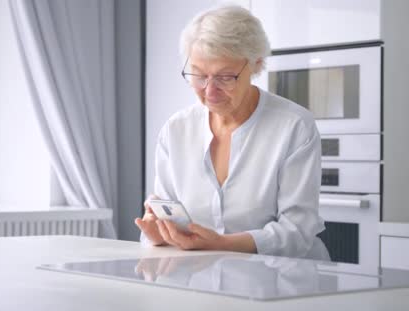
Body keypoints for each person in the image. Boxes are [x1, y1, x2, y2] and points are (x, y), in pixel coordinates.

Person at [134, 5, 330, 261]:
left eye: (225, 77)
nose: (209, 91)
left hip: (283, 280)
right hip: (203, 280)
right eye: (199, 75)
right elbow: (167, 213)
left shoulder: (294, 126)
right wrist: (160, 234)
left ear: (256, 65)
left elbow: (298, 231)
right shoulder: (176, 130)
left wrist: (222, 244)